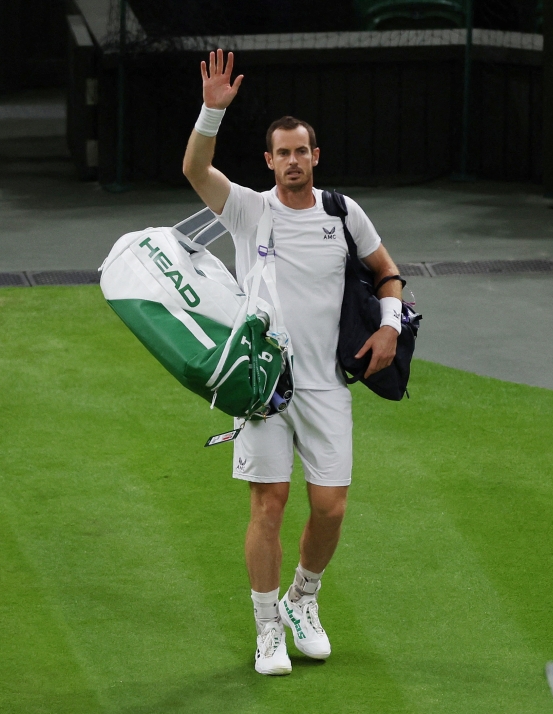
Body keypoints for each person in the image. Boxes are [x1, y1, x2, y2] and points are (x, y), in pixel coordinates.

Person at [182, 49, 404, 676]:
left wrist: (388, 329)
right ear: (269, 161)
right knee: (269, 502)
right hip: (265, 388)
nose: (292, 161)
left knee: (330, 506)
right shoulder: (248, 211)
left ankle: (302, 600)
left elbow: (387, 274)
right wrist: (210, 111)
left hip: (328, 386)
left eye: (301, 151)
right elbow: (195, 168)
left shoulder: (343, 213)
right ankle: (266, 630)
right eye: (282, 153)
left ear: (315, 156)